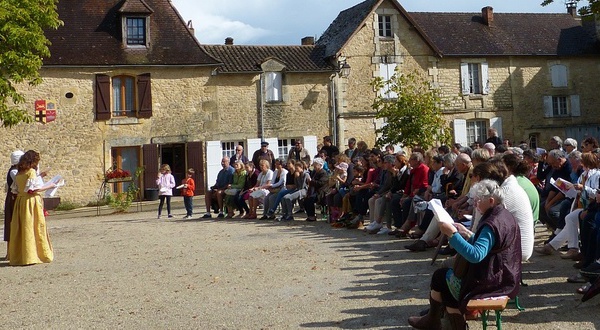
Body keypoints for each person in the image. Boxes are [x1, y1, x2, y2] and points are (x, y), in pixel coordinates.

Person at [407, 179, 521, 329]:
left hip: (492, 281)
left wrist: (452, 235)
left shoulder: (491, 223)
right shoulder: (503, 214)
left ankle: (438, 321)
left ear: (491, 200)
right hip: (506, 274)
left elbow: (476, 255)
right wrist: (466, 233)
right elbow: (491, 245)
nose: (474, 204)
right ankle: (436, 320)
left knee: (441, 278)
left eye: (477, 201)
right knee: (445, 275)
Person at [8, 150, 56, 266]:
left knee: (22, 228)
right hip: (31, 202)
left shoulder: (19, 172)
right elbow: (32, 190)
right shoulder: (31, 172)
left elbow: (15, 189)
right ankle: (33, 255)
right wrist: (51, 185)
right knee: (33, 227)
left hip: (20, 202)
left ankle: (20, 256)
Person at [4, 150, 24, 259]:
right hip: (13, 200)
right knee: (12, 224)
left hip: (15, 199)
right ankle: (10, 253)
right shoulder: (14, 172)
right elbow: (21, 183)